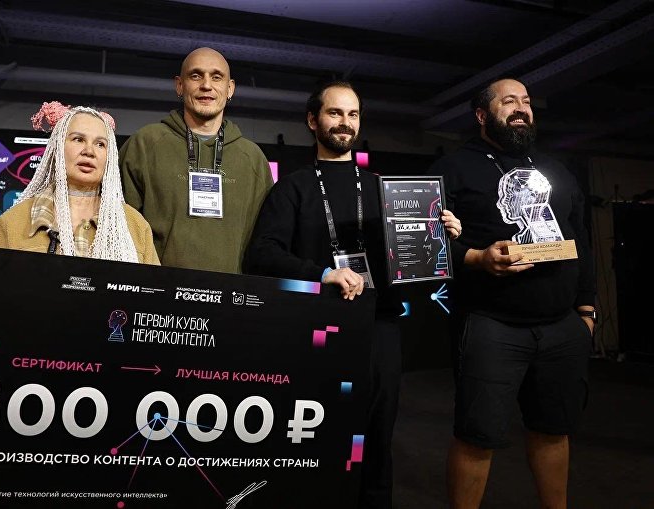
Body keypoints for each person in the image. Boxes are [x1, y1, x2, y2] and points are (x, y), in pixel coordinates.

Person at [244, 80, 462, 509]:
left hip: (378, 327)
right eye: (335, 113)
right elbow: (262, 254)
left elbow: (415, 265)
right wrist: (323, 273)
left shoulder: (385, 190)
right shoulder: (293, 188)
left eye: (353, 114)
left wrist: (441, 235)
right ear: (313, 121)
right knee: (317, 436)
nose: (345, 122)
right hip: (316, 329)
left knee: (377, 438)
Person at [428, 78, 596, 509]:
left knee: (553, 430)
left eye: (525, 101)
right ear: (482, 115)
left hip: (561, 325)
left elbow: (580, 239)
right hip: (492, 324)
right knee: (477, 436)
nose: (521, 108)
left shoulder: (556, 169)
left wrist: (587, 309)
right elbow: (425, 243)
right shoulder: (452, 168)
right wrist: (477, 257)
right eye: (509, 101)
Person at [0, 102, 160, 278]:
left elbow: (155, 299)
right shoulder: (14, 222)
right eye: (78, 139)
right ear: (56, 148)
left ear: (109, 157)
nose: (89, 151)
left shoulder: (134, 227)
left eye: (100, 144)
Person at [119, 46, 273, 274]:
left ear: (230, 88)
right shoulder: (144, 144)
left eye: (217, 77)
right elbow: (120, 228)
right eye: (196, 76)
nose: (206, 85)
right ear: (180, 85)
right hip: (157, 289)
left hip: (230, 293)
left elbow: (263, 245)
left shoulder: (253, 159)